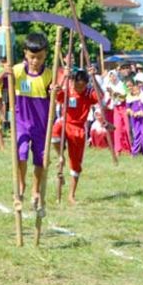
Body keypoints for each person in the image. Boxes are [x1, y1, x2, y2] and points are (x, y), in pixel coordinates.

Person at [0, 33, 53, 210]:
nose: (35, 61)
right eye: (32, 57)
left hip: (41, 124)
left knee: (41, 160)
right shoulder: (18, 70)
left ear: (45, 55)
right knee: (20, 152)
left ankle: (36, 190)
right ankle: (21, 184)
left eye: (40, 57)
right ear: (25, 54)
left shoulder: (48, 74)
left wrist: (55, 90)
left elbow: (55, 97)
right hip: (21, 120)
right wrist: (4, 72)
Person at [50, 70, 99, 205]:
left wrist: (94, 78)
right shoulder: (68, 90)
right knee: (54, 134)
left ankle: (71, 195)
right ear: (73, 82)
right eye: (77, 86)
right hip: (65, 122)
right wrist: (61, 80)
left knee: (76, 163)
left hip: (78, 129)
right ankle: (60, 155)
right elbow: (55, 95)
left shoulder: (89, 93)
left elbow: (100, 98)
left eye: (82, 86)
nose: (79, 89)